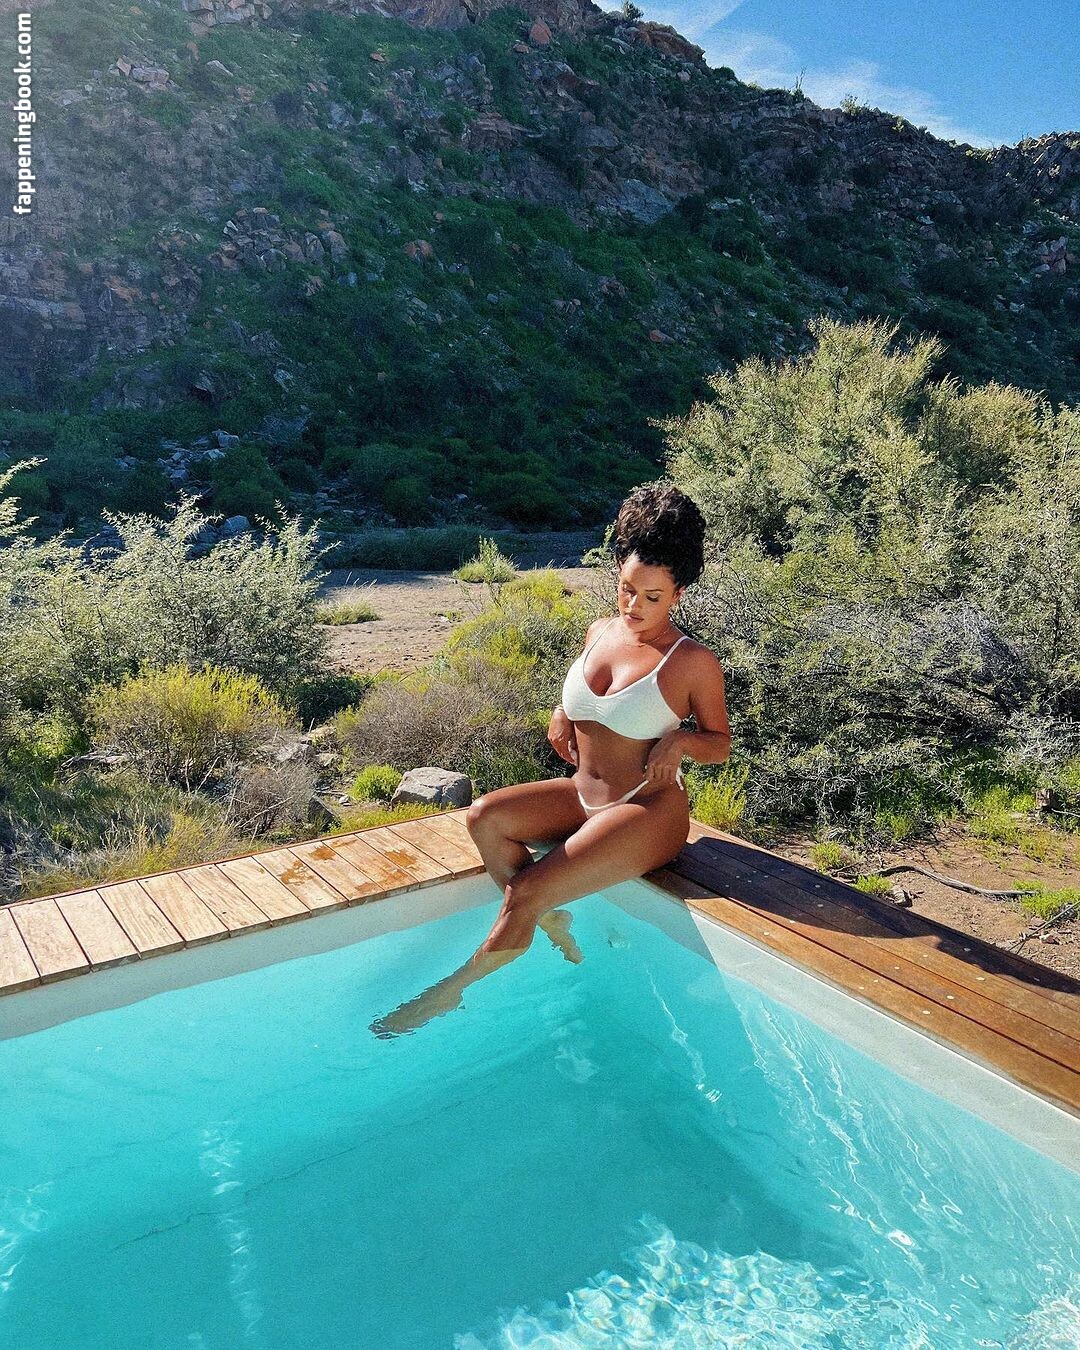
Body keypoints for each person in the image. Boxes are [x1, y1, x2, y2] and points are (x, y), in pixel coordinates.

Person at [368, 481, 731, 1037]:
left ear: (679, 593)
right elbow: (593, 702)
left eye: (652, 597)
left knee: (525, 889)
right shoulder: (599, 631)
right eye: (626, 589)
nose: (633, 606)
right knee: (484, 818)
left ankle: (451, 991)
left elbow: (719, 743)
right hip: (583, 796)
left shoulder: (692, 661)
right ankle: (546, 917)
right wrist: (562, 711)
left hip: (646, 810)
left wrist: (680, 741)